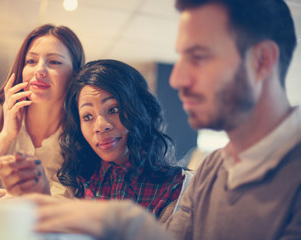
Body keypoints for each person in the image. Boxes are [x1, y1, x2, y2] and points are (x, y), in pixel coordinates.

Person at [24, 0, 301, 239]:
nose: (177, 78)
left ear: (262, 61)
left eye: (199, 56)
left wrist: (127, 223)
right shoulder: (211, 171)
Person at [56, 59, 189, 222]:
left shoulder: (176, 188)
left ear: (139, 110)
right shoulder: (74, 183)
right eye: (88, 116)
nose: (100, 126)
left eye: (113, 110)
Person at [0, 24, 85, 197]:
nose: (39, 70)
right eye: (31, 61)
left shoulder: (80, 135)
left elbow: (70, 207)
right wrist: (5, 136)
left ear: (75, 75)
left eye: (54, 62)